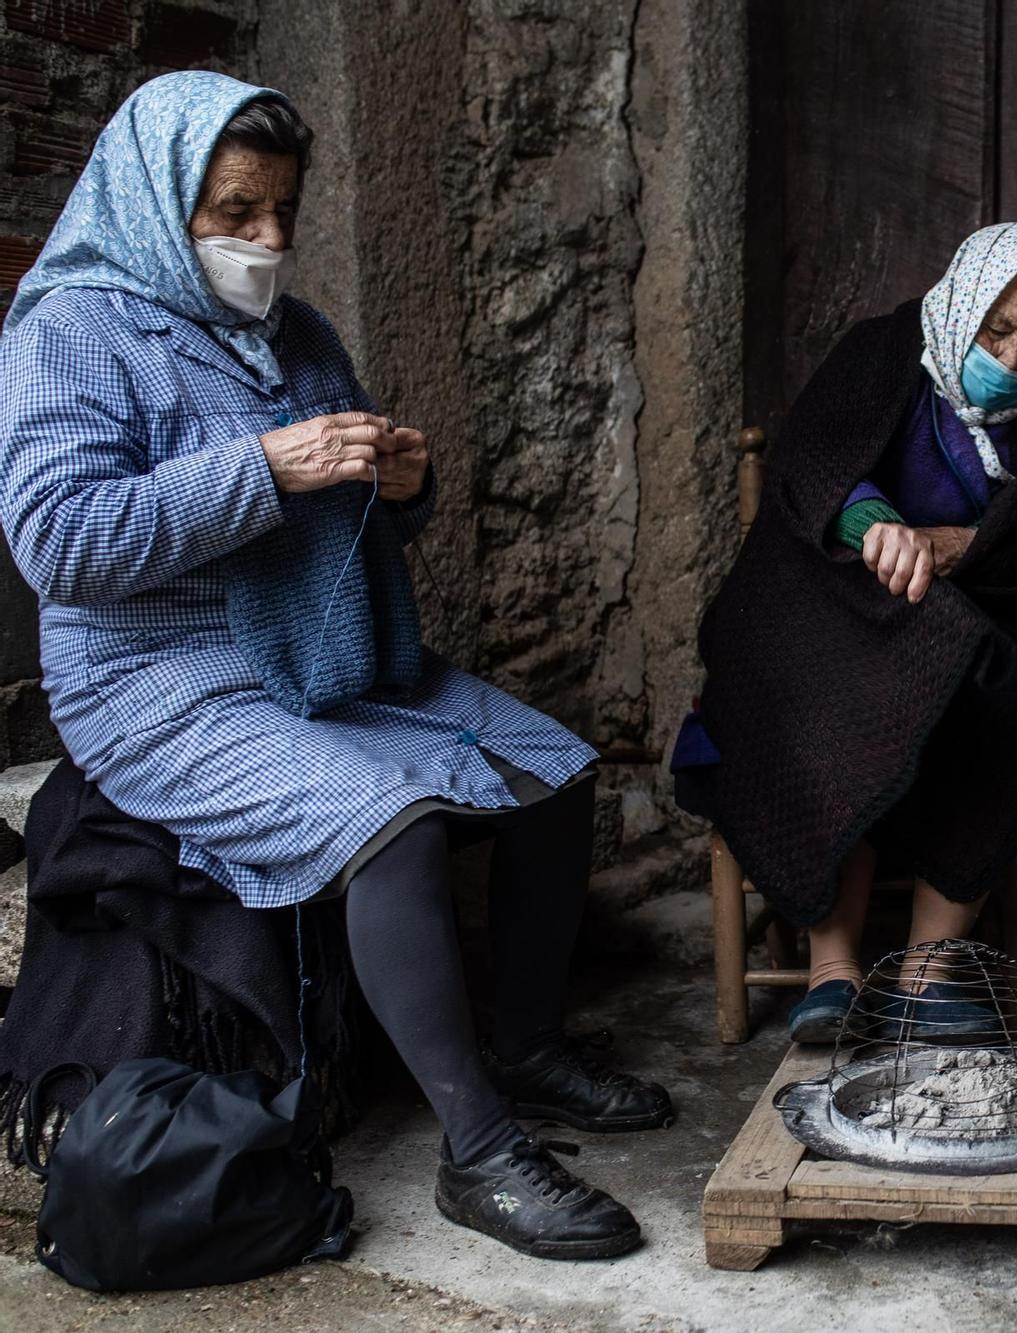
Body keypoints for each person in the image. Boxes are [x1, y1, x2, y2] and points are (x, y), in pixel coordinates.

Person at [0, 72, 670, 1262]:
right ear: (156, 203)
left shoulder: (298, 334)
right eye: (233, 213)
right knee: (392, 823)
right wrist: (269, 466)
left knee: (553, 774)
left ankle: (524, 1041)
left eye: (282, 216)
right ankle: (480, 1151)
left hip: (314, 649)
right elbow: (60, 541)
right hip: (156, 676)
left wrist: (397, 490)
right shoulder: (72, 331)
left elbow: (344, 513)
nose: (266, 243)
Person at [677, 223, 1017, 1043]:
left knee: (1005, 695)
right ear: (963, 305)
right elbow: (813, 472)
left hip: (985, 624)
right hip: (837, 602)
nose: (1015, 362)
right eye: (998, 331)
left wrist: (968, 549)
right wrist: (877, 526)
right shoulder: (881, 353)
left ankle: (926, 973)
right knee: (833, 692)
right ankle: (831, 971)